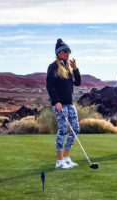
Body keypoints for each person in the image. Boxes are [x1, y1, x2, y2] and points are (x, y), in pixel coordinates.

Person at [46, 39, 81, 169]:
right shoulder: (53, 67)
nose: (68, 54)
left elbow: (78, 83)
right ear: (59, 53)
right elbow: (50, 86)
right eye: (65, 51)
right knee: (63, 129)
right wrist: (56, 102)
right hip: (60, 104)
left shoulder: (68, 67)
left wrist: (76, 68)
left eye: (69, 52)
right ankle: (59, 161)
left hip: (70, 103)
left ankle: (66, 157)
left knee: (75, 129)